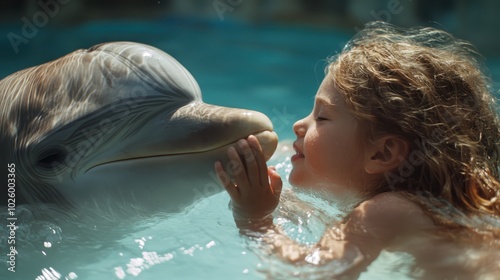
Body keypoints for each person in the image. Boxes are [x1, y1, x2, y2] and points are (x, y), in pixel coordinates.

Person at [214, 21, 500, 279]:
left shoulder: (387, 209)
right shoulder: (441, 206)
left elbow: (311, 273)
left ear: (382, 154)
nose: (299, 124)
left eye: (321, 117)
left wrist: (255, 219)